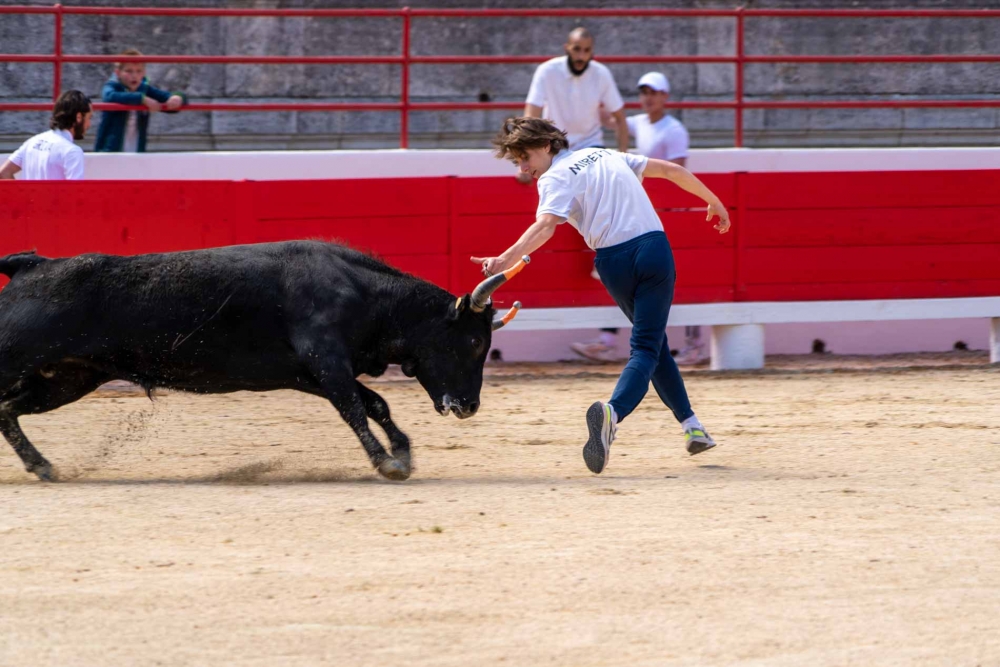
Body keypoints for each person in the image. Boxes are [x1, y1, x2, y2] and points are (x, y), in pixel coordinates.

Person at [473, 117, 730, 474]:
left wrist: (502, 261)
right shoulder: (604, 154)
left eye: (525, 156)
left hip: (612, 261)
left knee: (651, 345)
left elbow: (546, 226)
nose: (523, 167)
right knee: (648, 345)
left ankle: (692, 427)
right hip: (653, 250)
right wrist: (714, 200)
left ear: (547, 146)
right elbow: (671, 170)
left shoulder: (555, 178)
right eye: (517, 161)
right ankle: (614, 412)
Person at [572, 70, 704, 363]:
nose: (647, 98)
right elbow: (610, 119)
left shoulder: (674, 130)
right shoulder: (640, 123)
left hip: (667, 213)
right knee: (633, 280)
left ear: (665, 97)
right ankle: (608, 340)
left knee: (662, 280)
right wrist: (592, 94)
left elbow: (676, 172)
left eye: (653, 93)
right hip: (645, 212)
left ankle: (693, 342)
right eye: (644, 92)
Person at [520, 26, 628, 183]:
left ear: (592, 52)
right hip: (555, 147)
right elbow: (530, 117)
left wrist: (622, 159)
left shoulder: (601, 74)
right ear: (567, 48)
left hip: (591, 145)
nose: (581, 56)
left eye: (586, 50)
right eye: (577, 49)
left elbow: (620, 117)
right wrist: (524, 162)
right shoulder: (547, 71)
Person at [94, 48, 185, 153]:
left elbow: (167, 98)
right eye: (129, 71)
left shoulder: (144, 89)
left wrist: (177, 98)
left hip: (137, 151)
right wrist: (141, 99)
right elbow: (109, 96)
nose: (134, 75)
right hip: (109, 151)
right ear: (118, 73)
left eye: (139, 71)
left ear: (144, 73)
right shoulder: (112, 86)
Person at [0, 90, 92, 180]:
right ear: (78, 117)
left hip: (28, 195)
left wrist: (21, 195)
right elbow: (76, 193)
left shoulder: (32, 142)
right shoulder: (72, 151)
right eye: (89, 118)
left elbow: (4, 173)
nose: (89, 124)